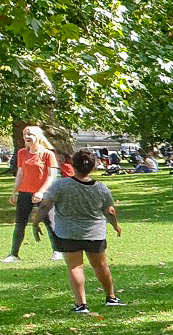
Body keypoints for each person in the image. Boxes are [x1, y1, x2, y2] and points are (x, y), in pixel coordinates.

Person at [31, 150, 123, 313]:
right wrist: (115, 225)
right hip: (95, 233)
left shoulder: (61, 185)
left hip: (68, 233)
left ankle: (81, 305)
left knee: (75, 267)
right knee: (101, 266)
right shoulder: (100, 188)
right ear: (93, 166)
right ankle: (111, 297)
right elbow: (110, 211)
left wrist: (36, 222)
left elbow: (45, 205)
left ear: (72, 165)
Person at [6, 125, 60, 263]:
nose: (27, 137)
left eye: (30, 134)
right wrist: (15, 192)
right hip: (25, 193)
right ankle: (13, 254)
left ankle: (58, 251)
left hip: (45, 194)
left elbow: (51, 176)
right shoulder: (22, 153)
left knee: (50, 223)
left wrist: (41, 192)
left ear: (38, 137)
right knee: (20, 224)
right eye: (25, 134)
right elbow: (20, 173)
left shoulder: (48, 154)